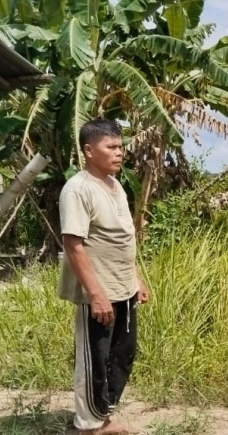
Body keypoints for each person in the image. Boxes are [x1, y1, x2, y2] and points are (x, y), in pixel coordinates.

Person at [57, 118, 150, 435]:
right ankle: (87, 425)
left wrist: (135, 279)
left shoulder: (115, 185)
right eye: (110, 146)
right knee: (93, 360)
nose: (119, 152)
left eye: (120, 146)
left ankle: (103, 415)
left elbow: (123, 238)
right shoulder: (78, 190)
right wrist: (95, 293)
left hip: (122, 287)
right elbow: (73, 245)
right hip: (98, 292)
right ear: (88, 150)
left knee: (122, 353)